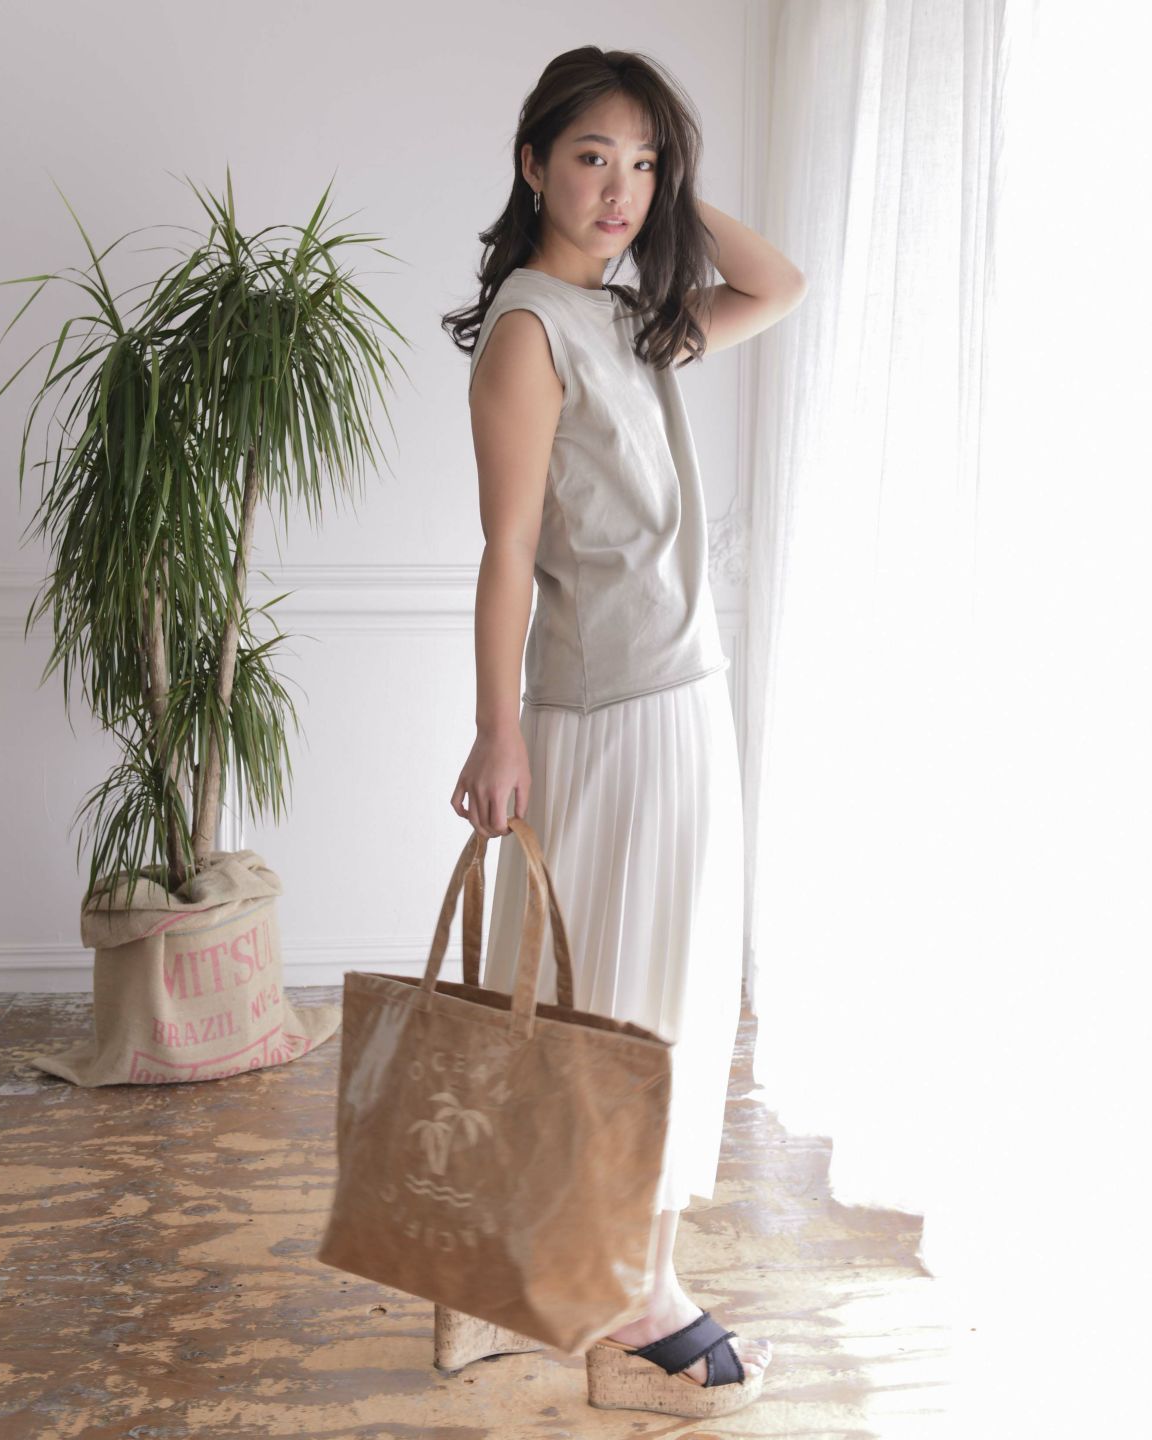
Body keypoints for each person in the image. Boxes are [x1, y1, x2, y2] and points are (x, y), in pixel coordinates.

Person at [441, 45, 807, 1419]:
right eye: (593, 156)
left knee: (670, 1002)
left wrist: (671, 193)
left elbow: (779, 286)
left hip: (682, 697)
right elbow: (506, 551)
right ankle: (633, 1302)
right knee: (620, 1011)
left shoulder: (624, 318)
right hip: (604, 714)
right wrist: (497, 733)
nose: (620, 189)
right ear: (532, 162)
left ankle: (596, 1273)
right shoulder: (531, 331)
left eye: (643, 164)